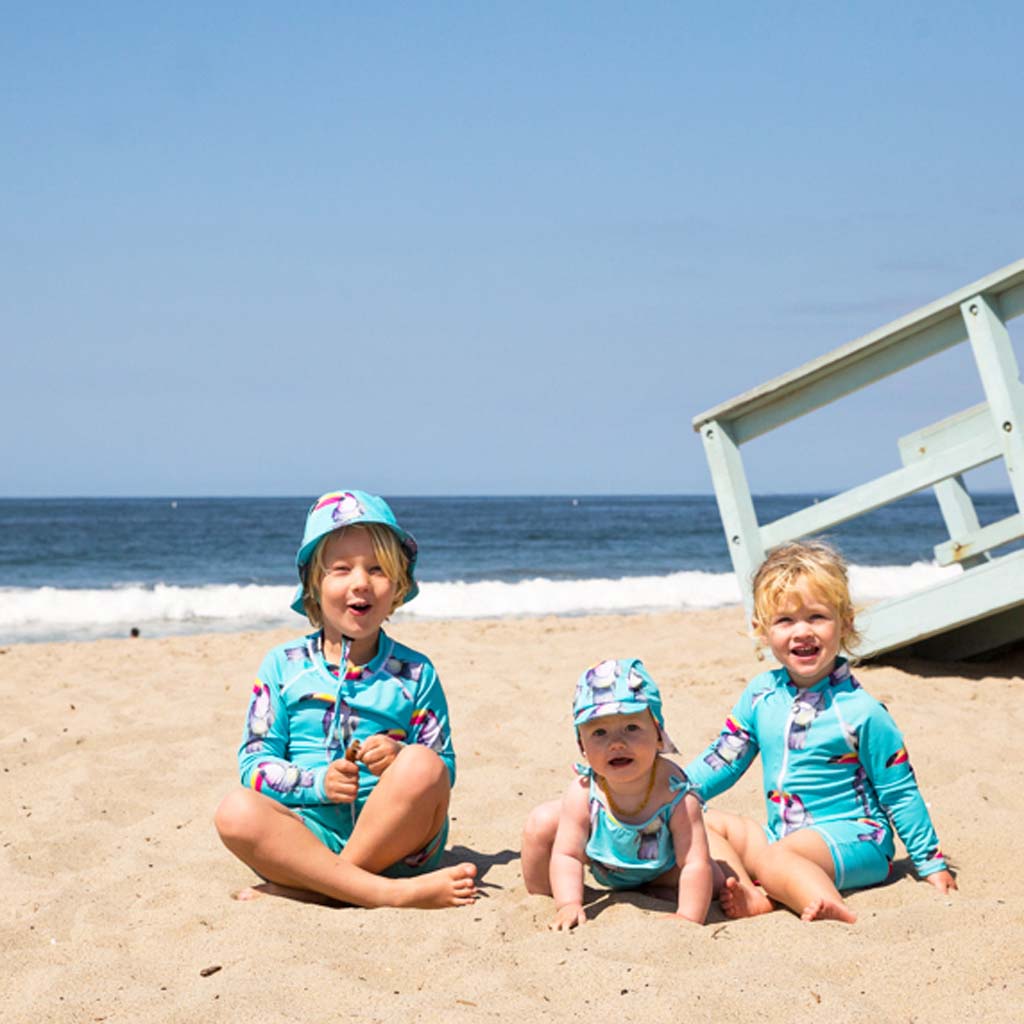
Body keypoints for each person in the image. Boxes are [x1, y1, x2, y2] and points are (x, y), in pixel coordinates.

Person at [214, 489, 477, 909]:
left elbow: (443, 771)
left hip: (398, 845)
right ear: (314, 587)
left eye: (377, 569)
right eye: (341, 569)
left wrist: (399, 755)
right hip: (307, 840)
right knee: (235, 811)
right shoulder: (283, 666)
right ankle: (375, 892)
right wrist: (317, 782)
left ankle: (330, 889)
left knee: (423, 763)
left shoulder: (416, 672)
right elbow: (254, 766)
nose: (360, 582)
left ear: (398, 587)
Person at [685, 539, 957, 924]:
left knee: (777, 858)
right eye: (785, 621)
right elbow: (725, 756)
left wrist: (930, 862)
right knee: (700, 822)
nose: (802, 632)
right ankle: (753, 891)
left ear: (844, 623)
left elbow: (899, 791)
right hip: (783, 836)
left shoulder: (861, 711)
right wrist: (677, 790)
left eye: (817, 617)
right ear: (761, 630)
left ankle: (821, 902)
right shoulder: (761, 695)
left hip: (857, 840)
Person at [522, 658, 713, 930]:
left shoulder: (676, 795)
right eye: (599, 732)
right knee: (541, 822)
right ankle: (543, 893)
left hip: (664, 871)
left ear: (659, 734)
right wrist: (569, 903)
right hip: (603, 862)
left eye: (632, 728)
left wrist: (688, 917)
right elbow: (568, 854)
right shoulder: (584, 791)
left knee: (711, 877)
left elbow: (694, 863)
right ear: (582, 746)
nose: (616, 743)